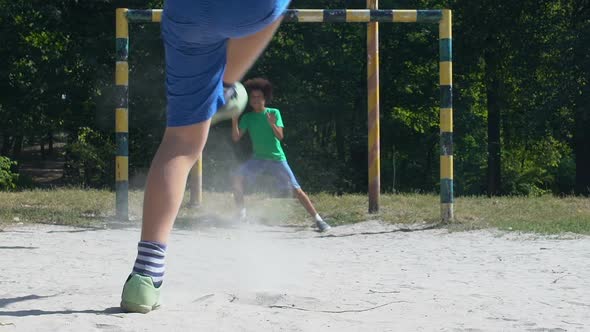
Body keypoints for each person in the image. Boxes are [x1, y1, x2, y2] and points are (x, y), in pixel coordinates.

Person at [120, 0, 292, 314]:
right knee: (276, 7)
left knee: (180, 144)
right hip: (251, 8)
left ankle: (144, 278)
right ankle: (224, 88)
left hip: (187, 12)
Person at [232, 78, 331, 232]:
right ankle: (242, 215)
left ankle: (319, 220)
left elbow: (280, 136)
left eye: (259, 97)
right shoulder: (248, 118)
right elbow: (236, 137)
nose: (255, 99)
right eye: (253, 97)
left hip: (276, 159)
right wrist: (234, 120)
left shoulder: (274, 113)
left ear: (265, 98)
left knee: (296, 190)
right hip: (258, 159)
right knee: (237, 177)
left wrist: (272, 123)